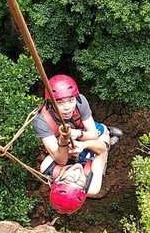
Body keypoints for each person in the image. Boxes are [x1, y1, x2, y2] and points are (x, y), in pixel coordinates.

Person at [32, 74, 123, 213]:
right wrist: (84, 145)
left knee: (99, 129)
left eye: (69, 179)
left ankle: (105, 129)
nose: (76, 174)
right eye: (80, 182)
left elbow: (61, 159)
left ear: (59, 179)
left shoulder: (48, 168)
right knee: (103, 136)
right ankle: (110, 138)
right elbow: (101, 149)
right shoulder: (92, 186)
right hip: (91, 161)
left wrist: (69, 140)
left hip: (72, 137)